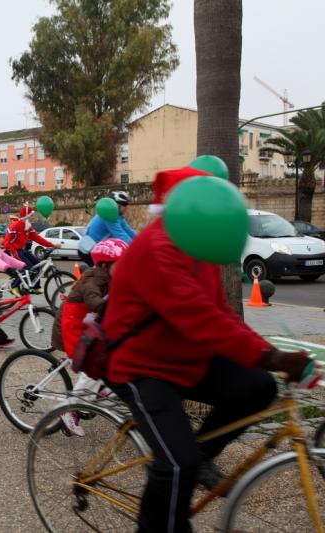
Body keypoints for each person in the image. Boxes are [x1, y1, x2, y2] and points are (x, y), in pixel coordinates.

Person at [102, 168, 312, 533]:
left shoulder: (197, 244)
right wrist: (273, 356)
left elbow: (220, 315)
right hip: (140, 365)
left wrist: (266, 356)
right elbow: (199, 317)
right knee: (175, 464)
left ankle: (199, 456)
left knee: (258, 386)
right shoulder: (156, 249)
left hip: (186, 358)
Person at [57, 238, 128, 436]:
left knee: (112, 355)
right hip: (73, 325)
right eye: (120, 264)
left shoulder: (113, 278)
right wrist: (107, 309)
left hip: (90, 325)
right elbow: (92, 297)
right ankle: (68, 410)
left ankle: (98, 391)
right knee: (91, 366)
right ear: (105, 264)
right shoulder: (94, 277)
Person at [4, 204, 58, 295]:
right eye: (31, 215)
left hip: (22, 250)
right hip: (15, 250)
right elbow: (6, 243)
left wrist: (52, 245)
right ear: (26, 216)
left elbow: (37, 238)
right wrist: (14, 253)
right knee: (27, 268)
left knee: (37, 265)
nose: (33, 217)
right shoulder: (16, 226)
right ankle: (14, 286)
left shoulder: (28, 226)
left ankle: (36, 287)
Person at [78, 191, 137, 266]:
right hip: (88, 250)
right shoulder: (108, 217)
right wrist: (135, 248)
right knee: (102, 273)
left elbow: (129, 231)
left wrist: (143, 240)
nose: (126, 207)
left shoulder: (118, 217)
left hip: (98, 248)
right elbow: (121, 235)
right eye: (124, 204)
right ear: (116, 205)